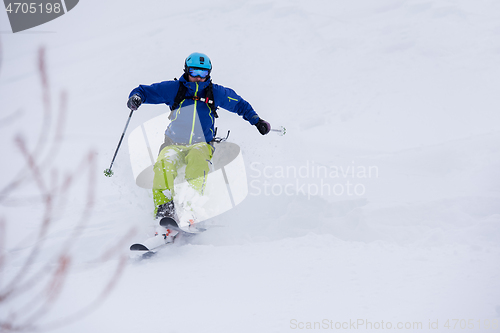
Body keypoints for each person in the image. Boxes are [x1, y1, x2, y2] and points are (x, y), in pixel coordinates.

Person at [127, 52, 271, 225]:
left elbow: (239, 104)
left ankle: (189, 210)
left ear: (209, 74)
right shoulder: (174, 89)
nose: (198, 78)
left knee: (197, 161)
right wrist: (137, 97)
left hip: (201, 143)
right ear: (187, 71)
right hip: (173, 143)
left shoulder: (215, 92)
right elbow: (144, 91)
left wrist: (257, 121)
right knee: (164, 164)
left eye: (203, 73)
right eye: (194, 72)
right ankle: (164, 211)